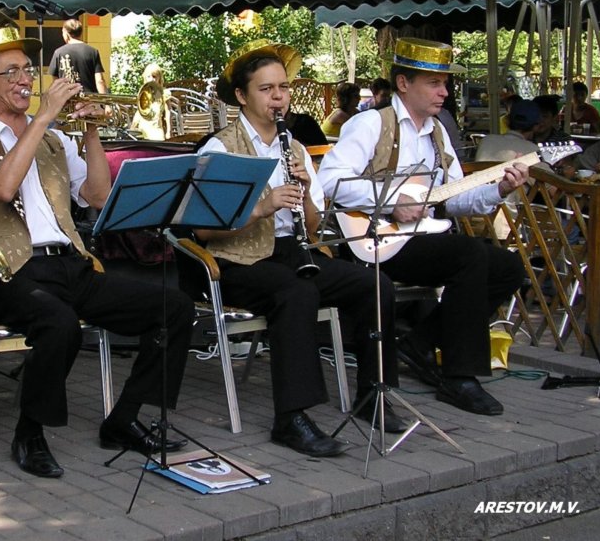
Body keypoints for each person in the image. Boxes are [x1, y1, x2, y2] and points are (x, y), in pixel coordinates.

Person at [0, 26, 194, 479]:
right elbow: (1, 188)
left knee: (172, 306)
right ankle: (30, 432)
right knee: (58, 324)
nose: (26, 80)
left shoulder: (56, 141)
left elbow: (97, 197)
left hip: (68, 262)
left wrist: (93, 132)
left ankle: (125, 419)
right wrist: (44, 117)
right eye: (12, 73)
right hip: (4, 272)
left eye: (27, 70)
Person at [185, 41, 404, 457]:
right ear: (242, 96)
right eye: (266, 90)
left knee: (374, 283)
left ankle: (373, 393)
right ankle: (291, 418)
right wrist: (262, 207)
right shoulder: (220, 148)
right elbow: (203, 230)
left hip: (290, 251)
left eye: (282, 88)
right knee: (297, 292)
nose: (278, 97)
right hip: (238, 259)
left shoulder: (296, 147)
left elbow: (316, 224)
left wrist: (304, 191)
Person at [318, 38, 529, 416]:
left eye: (444, 83)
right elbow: (331, 182)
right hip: (376, 237)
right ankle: (459, 375)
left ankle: (420, 342)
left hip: (425, 237)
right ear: (403, 84)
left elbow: (453, 197)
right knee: (467, 255)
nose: (445, 93)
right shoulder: (371, 123)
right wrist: (390, 200)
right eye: (434, 83)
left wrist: (499, 189)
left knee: (508, 268)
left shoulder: (437, 133)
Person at [48, 18, 108, 94]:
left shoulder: (58, 52)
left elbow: (56, 82)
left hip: (67, 100)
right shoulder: (93, 51)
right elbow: (100, 80)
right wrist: (105, 103)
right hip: (89, 101)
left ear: (66, 33)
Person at [475, 99, 541, 162]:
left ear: (507, 120)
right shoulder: (533, 150)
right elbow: (547, 173)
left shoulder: (487, 140)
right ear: (536, 127)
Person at [129, 62, 171, 140]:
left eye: (154, 76)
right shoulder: (143, 92)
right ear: (145, 78)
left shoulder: (164, 93)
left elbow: (168, 112)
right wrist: (133, 127)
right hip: (142, 129)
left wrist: (169, 131)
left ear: (159, 78)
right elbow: (139, 112)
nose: (151, 79)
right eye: (149, 76)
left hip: (156, 130)